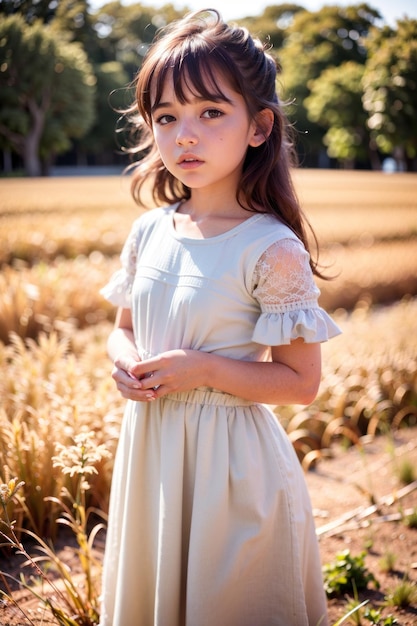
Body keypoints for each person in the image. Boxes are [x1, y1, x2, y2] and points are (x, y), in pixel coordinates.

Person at [99, 8, 341, 626]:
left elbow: (301, 383)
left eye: (211, 113)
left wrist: (200, 368)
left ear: (259, 127)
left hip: (231, 475)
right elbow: (123, 328)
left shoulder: (272, 248)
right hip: (152, 457)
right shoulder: (148, 231)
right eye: (166, 117)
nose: (186, 135)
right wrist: (126, 363)